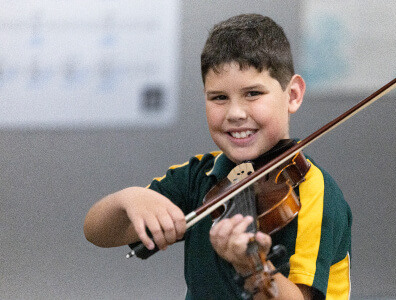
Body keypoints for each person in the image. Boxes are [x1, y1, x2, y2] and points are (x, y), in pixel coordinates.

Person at [84, 13, 352, 299]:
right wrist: (129, 199)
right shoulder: (199, 176)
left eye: (252, 93)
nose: (235, 113)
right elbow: (97, 232)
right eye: (219, 98)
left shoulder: (313, 192)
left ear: (293, 95)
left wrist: (251, 266)